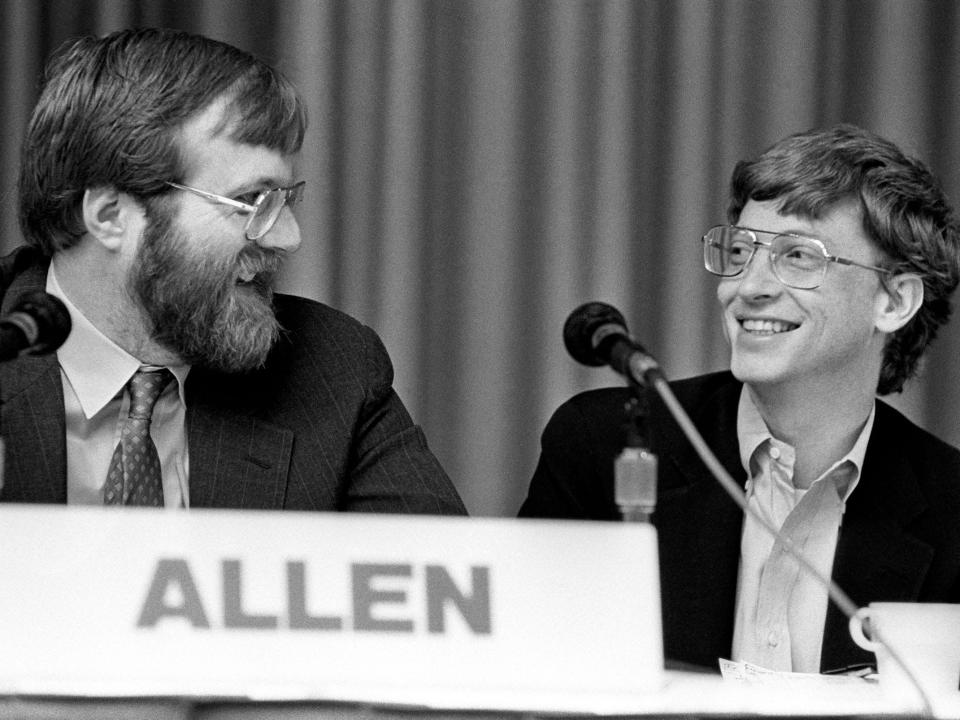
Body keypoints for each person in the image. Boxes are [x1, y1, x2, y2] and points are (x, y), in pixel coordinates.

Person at [519, 124, 960, 673]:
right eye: (741, 251)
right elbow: (528, 682)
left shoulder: (951, 511)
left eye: (799, 255)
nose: (747, 288)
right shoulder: (604, 448)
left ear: (894, 300)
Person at [0, 28, 466, 515]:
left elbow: (437, 576)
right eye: (251, 202)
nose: (288, 237)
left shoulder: (331, 369)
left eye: (285, 200)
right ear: (111, 216)